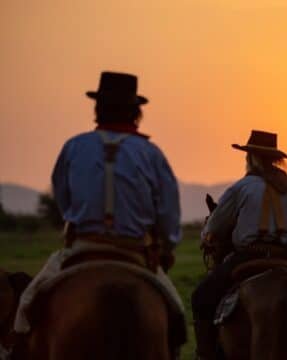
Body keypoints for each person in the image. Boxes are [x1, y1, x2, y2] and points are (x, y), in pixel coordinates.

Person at [12, 71, 185, 345]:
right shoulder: (151, 154)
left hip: (83, 247)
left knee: (25, 311)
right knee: (177, 321)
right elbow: (168, 213)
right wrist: (166, 245)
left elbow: (63, 201)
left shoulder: (74, 147)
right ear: (135, 112)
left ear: (98, 108)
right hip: (134, 251)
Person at [191, 130, 287, 360]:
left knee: (201, 296)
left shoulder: (241, 188)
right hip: (286, 259)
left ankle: (205, 354)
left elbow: (215, 228)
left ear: (252, 158)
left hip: (247, 257)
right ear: (275, 159)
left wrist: (205, 236)